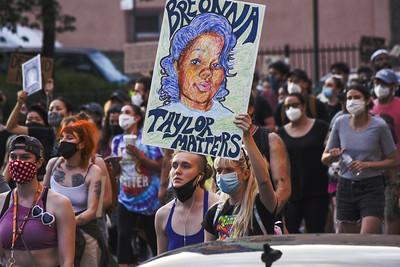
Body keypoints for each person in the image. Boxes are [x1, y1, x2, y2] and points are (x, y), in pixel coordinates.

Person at [322, 84, 398, 234]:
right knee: (346, 239)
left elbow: (394, 160)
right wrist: (333, 155)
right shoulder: (340, 122)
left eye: (357, 97)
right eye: (349, 98)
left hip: (372, 186)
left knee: (367, 236)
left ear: (368, 100)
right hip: (345, 185)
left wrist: (368, 164)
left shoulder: (379, 125)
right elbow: (324, 158)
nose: (352, 101)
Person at [0, 135, 75, 266]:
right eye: (13, 157)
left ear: (39, 162)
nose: (18, 162)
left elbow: (67, 261)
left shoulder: (59, 203)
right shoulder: (2, 201)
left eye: (25, 157)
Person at [44, 120, 109, 266]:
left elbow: (93, 210)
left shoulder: (93, 171)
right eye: (62, 138)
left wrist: (67, 223)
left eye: (69, 138)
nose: (63, 142)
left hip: (85, 232)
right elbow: (43, 195)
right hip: (53, 231)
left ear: (81, 145)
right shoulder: (52, 164)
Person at [203, 113, 278, 240]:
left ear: (245, 173)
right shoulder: (213, 213)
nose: (222, 175)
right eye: (219, 171)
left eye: (229, 170)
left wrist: (247, 136)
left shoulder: (261, 205)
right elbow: (209, 253)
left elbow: (264, 180)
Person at [111, 103, 163, 266]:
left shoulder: (148, 139)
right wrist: (114, 165)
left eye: (127, 112)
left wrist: (138, 155)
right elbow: (116, 172)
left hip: (150, 199)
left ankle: (160, 262)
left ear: (137, 118)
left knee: (152, 236)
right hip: (125, 197)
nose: (122, 115)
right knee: (123, 235)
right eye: (121, 112)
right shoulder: (117, 140)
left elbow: (159, 166)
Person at [158, 13, 236, 116]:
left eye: (216, 65)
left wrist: (248, 131)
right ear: (176, 66)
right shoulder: (159, 118)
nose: (207, 72)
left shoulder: (231, 121)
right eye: (196, 62)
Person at [277, 93, 329, 233]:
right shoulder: (280, 133)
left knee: (316, 232)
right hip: (291, 194)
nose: (291, 109)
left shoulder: (320, 127)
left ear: (304, 106)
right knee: (290, 233)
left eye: (295, 105)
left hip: (317, 192)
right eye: (287, 106)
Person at [154, 151, 218, 254]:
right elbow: (161, 261)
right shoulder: (162, 215)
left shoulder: (217, 206)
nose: (177, 171)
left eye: (185, 166)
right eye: (174, 166)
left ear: (200, 175)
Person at [370, 68, 400, 234]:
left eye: (384, 83)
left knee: (392, 213)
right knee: (375, 213)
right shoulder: (371, 108)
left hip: (396, 167)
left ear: (393, 86)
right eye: (377, 83)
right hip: (374, 167)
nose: (379, 86)